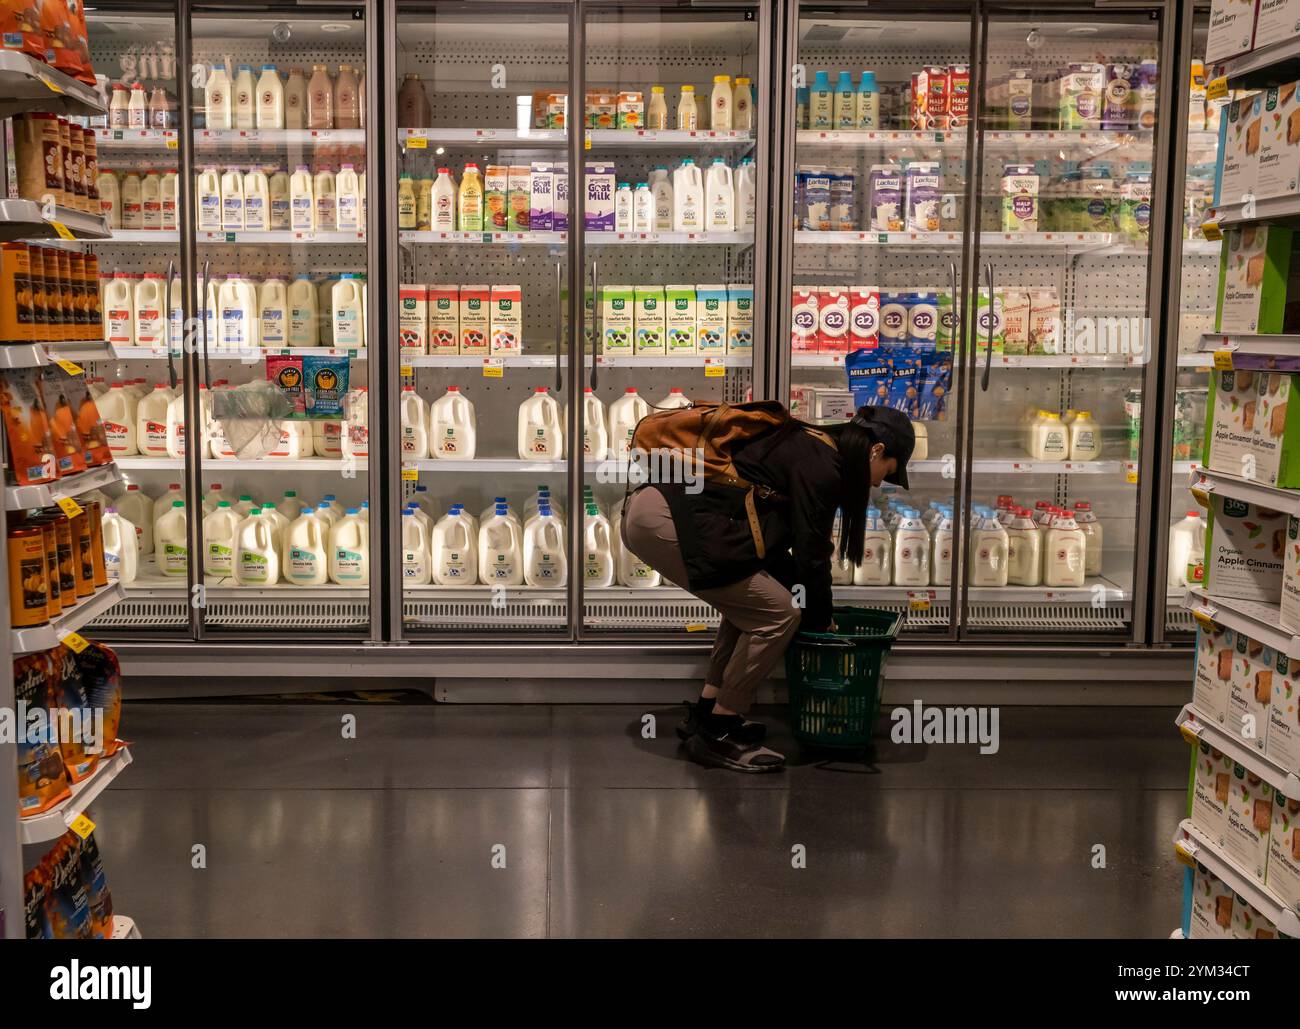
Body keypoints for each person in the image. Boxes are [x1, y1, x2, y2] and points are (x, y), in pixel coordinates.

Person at [620, 404, 914, 773]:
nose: (875, 484)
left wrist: (809, 604)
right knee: (777, 614)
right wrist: (820, 620)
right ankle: (720, 732)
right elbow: (811, 556)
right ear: (877, 450)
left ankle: (708, 711)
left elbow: (775, 551)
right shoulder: (825, 466)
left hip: (654, 511)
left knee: (756, 604)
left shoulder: (811, 444)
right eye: (885, 473)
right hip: (666, 521)